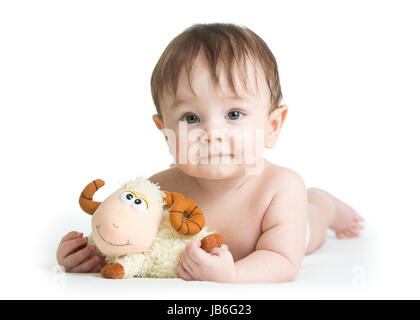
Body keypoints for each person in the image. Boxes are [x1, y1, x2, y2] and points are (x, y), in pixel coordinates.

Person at [56, 23, 364, 283]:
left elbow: (282, 259)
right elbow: (128, 235)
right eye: (191, 118)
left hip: (302, 228)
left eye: (233, 114)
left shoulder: (280, 188)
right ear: (165, 132)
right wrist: (87, 255)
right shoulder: (160, 190)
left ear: (272, 127)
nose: (212, 133)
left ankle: (326, 204)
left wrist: (234, 275)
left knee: (314, 216)